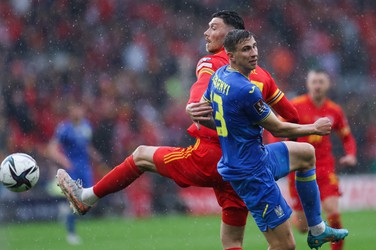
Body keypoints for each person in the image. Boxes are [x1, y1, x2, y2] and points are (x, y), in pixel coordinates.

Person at [56, 11, 299, 250]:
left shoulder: (212, 61)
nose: (207, 32)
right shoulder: (263, 75)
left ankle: (87, 197)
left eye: (214, 27)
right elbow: (292, 116)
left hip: (210, 157)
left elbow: (201, 87)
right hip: (242, 166)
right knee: (235, 241)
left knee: (141, 155)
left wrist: (193, 104)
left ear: (230, 35)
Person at [191, 29, 348, 249]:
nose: (254, 53)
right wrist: (314, 127)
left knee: (305, 154)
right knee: (285, 246)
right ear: (231, 56)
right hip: (252, 174)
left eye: (254, 46)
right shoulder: (246, 91)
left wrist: (225, 125)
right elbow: (279, 128)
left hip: (254, 157)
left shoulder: (219, 76)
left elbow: (207, 109)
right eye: (246, 49)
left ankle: (317, 230)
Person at [287, 69, 357, 250]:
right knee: (303, 228)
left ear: (328, 85)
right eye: (314, 82)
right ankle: (294, 217)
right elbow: (279, 129)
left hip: (325, 167)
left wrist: (350, 154)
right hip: (299, 167)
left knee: (333, 211)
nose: (317, 86)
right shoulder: (295, 105)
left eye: (321, 82)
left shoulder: (335, 110)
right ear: (308, 84)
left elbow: (346, 136)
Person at [48, 102, 103, 245]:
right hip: (72, 169)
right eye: (75, 109)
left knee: (90, 201)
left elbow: (86, 146)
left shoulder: (86, 127)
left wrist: (95, 155)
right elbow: (51, 149)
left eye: (79, 109)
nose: (77, 112)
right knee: (76, 201)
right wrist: (64, 160)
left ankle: (65, 212)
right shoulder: (64, 128)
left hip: (86, 168)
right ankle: (71, 233)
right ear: (70, 112)